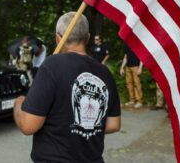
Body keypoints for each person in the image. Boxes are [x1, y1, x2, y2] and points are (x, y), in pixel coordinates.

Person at [13, 12, 121, 163]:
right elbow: (113, 124)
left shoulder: (51, 65)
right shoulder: (105, 72)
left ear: (58, 38)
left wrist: (19, 103)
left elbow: (27, 125)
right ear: (87, 38)